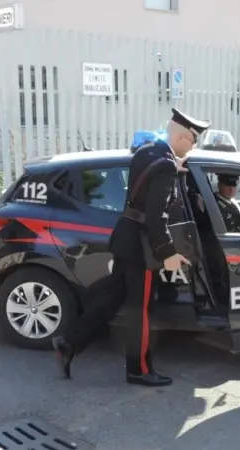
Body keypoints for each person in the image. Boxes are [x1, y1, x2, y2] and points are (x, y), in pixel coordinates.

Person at [52, 108, 211, 387]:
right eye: (193, 141)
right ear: (185, 136)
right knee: (142, 309)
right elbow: (156, 216)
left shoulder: (148, 152)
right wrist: (168, 254)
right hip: (142, 246)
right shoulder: (165, 166)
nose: (193, 146)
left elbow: (145, 189)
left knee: (112, 297)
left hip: (125, 236)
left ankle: (69, 342)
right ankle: (138, 370)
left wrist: (176, 168)